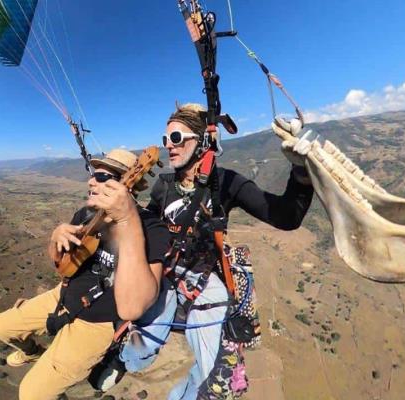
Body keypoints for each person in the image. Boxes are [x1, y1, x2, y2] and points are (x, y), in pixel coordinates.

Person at [121, 103, 315, 399]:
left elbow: (285, 216)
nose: (168, 147)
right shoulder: (164, 186)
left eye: (175, 139)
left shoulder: (224, 183)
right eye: (165, 140)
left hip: (205, 281)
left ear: (200, 142)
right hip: (167, 273)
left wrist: (300, 172)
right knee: (136, 354)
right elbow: (148, 228)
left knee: (215, 380)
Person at [0, 149, 171, 400]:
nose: (90, 181)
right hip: (62, 297)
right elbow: (61, 265)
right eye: (91, 174)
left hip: (95, 324)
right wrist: (55, 239)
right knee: (1, 327)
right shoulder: (87, 214)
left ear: (124, 185)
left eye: (100, 176)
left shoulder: (151, 228)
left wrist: (127, 220)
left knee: (31, 394)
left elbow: (134, 307)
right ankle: (33, 352)